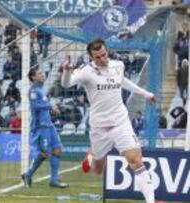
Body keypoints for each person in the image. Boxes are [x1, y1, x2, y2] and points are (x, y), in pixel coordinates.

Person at [61, 38, 156, 203]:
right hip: (99, 126)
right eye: (97, 57)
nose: (102, 59)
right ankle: (91, 154)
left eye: (104, 55)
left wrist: (145, 93)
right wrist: (67, 71)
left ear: (107, 51)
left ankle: (151, 200)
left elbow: (123, 82)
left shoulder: (118, 65)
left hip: (120, 121)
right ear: (91, 57)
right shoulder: (85, 71)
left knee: (136, 160)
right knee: (98, 170)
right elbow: (66, 84)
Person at [21, 67, 68, 188]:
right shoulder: (33, 91)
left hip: (49, 125)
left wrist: (50, 106)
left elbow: (43, 105)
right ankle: (28, 174)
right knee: (44, 153)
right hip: (41, 126)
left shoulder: (41, 90)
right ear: (33, 77)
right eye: (39, 73)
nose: (43, 75)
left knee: (57, 150)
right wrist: (50, 106)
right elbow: (35, 106)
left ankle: (54, 180)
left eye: (42, 72)